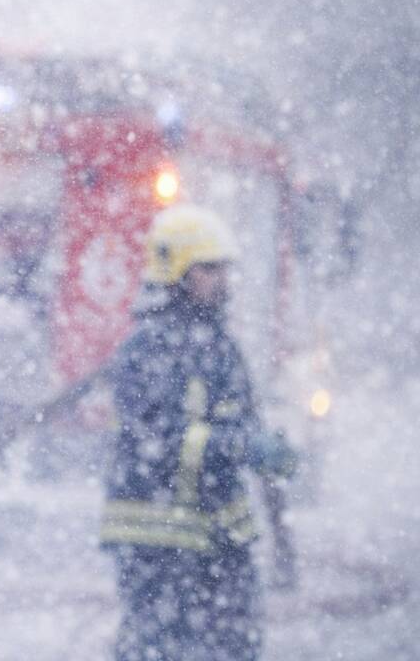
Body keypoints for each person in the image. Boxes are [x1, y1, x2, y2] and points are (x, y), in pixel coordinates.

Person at [100, 204, 296, 661]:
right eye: (209, 268)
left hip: (217, 543)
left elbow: (240, 424)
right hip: (157, 545)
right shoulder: (146, 349)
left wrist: (265, 450)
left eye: (224, 268)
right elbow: (160, 441)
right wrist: (241, 446)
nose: (222, 280)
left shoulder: (220, 346)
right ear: (176, 271)